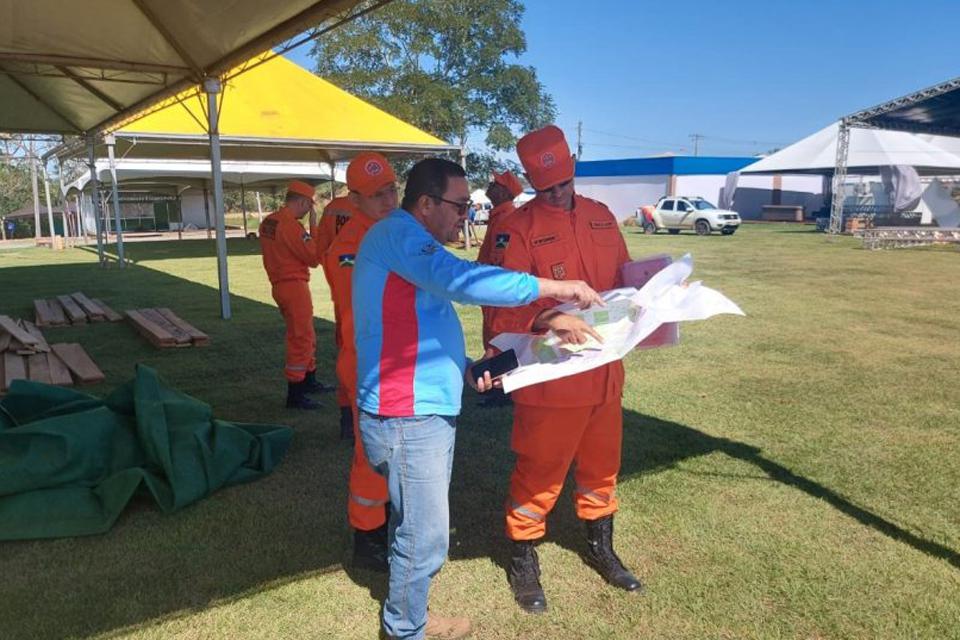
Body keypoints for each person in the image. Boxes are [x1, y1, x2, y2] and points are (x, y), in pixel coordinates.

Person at [352, 157, 604, 640]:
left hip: (418, 406)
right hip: (406, 413)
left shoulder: (408, 240)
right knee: (424, 537)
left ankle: (412, 615)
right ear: (426, 204)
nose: (465, 215)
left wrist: (465, 369)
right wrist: (555, 286)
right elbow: (464, 282)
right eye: (460, 205)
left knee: (419, 529)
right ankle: (404, 629)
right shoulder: (400, 235)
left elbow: (419, 325)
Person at [488, 125, 643, 615]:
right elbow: (496, 307)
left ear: (573, 165)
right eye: (546, 187)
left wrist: (651, 292)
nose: (558, 194)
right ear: (532, 183)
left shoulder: (601, 216)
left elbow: (624, 279)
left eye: (564, 182)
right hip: (550, 380)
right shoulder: (515, 228)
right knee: (539, 473)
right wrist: (549, 316)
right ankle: (523, 557)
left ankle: (601, 547)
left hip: (604, 376)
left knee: (602, 468)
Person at [322, 152, 398, 571]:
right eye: (376, 195)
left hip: (400, 362)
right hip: (369, 363)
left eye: (391, 190)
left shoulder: (395, 230)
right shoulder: (349, 249)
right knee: (370, 455)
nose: (388, 201)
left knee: (396, 453)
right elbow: (364, 317)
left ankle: (387, 523)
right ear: (354, 199)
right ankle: (368, 539)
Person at [258, 180, 335, 410]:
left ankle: (309, 381)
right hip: (293, 286)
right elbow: (313, 258)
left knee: (305, 333)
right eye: (309, 207)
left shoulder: (268, 221)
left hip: (280, 285)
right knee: (300, 337)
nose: (308, 211)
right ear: (302, 202)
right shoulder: (291, 226)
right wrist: (314, 226)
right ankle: (296, 394)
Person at [476, 169, 525, 408]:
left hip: (498, 291)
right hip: (489, 291)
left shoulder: (507, 220)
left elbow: (501, 258)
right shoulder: (498, 217)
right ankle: (495, 386)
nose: (490, 186)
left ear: (504, 191)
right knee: (491, 337)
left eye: (495, 183)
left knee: (500, 339)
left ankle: (503, 391)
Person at [318, 193, 362, 438]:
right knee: (355, 353)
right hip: (359, 296)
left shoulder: (333, 208)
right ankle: (353, 420)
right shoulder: (376, 220)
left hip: (342, 288)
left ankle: (347, 416)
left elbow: (321, 248)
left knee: (347, 348)